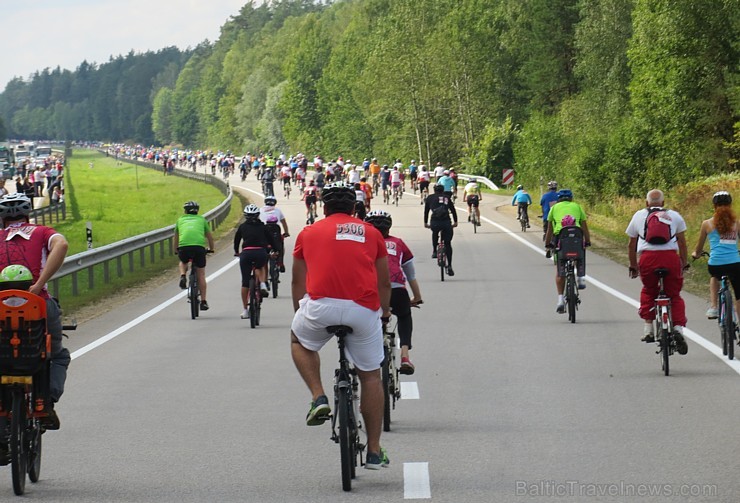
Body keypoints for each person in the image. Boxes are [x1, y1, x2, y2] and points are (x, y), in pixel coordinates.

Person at [290, 182, 392, 470]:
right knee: (370, 377)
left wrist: (299, 313)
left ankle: (318, 396)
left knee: (298, 341)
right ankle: (373, 451)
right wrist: (383, 314)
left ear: (323, 207)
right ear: (354, 208)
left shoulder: (308, 233)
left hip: (320, 308)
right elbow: (384, 282)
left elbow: (298, 282)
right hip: (362, 309)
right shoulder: (371, 232)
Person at [0, 193, 70, 439]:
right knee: (55, 354)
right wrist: (39, 283)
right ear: (28, 213)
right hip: (37, 304)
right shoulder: (41, 232)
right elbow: (61, 244)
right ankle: (46, 402)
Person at [626, 189, 688, 354]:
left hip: (648, 259)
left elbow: (631, 245)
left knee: (649, 290)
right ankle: (678, 329)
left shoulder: (639, 216)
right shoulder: (674, 216)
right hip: (670, 259)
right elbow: (682, 243)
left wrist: (633, 265)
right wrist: (684, 262)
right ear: (663, 203)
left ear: (647, 203)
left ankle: (648, 329)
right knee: (673, 295)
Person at [365, 210, 423, 373]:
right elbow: (410, 274)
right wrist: (417, 297)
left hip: (370, 291)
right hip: (397, 290)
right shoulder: (398, 243)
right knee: (404, 317)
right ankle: (405, 355)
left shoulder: (362, 243)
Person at [691, 191, 740, 319]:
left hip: (716, 263)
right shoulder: (737, 223)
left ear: (714, 206)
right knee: (738, 294)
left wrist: (696, 254)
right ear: (730, 205)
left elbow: (699, 247)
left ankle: (714, 307)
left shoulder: (707, 224)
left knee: (714, 276)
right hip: (735, 263)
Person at [544, 190, 591, 313]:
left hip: (561, 239)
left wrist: (547, 244)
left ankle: (560, 299)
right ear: (571, 199)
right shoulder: (577, 206)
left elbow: (549, 229)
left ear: (559, 199)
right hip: (576, 237)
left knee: (560, 270)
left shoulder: (554, 208)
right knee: (580, 255)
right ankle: (581, 278)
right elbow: (584, 226)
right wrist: (587, 241)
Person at [234, 204, 278, 316]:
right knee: (260, 266)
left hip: (246, 254)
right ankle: (262, 283)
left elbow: (237, 240)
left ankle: (245, 310)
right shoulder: (263, 227)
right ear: (258, 215)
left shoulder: (242, 227)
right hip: (260, 252)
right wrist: (275, 250)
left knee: (245, 282)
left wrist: (236, 251)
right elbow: (272, 240)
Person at [174, 201, 215, 311]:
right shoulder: (201, 219)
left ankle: (183, 275)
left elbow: (176, 237)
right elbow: (209, 237)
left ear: (185, 211)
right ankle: (203, 301)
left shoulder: (180, 220)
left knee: (183, 261)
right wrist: (211, 249)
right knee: (201, 274)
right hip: (199, 248)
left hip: (184, 247)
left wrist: (175, 250)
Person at [424, 184, 458, 276]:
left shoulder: (430, 198)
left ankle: (434, 251)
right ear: (443, 190)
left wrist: (425, 222)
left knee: (435, 232)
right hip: (446, 222)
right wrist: (455, 222)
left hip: (435, 221)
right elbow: (453, 210)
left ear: (434, 190)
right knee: (448, 244)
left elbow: (426, 211)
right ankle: (450, 265)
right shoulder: (447, 197)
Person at [259, 195, 290, 272]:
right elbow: (284, 222)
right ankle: (280, 263)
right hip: (275, 233)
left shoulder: (260, 210)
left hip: (264, 233)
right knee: (281, 246)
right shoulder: (278, 210)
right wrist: (286, 232)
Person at [540, 181, 560, 256]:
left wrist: (543, 214)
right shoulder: (559, 195)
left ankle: (548, 248)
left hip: (547, 217)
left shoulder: (545, 196)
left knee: (547, 231)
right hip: (557, 217)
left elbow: (542, 205)